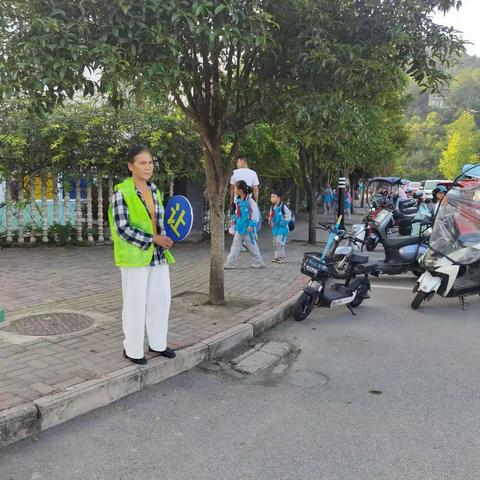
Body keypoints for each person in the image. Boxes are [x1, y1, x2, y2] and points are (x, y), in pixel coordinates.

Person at [108, 146, 176, 365]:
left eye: (150, 163)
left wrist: (164, 238)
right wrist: (153, 238)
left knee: (161, 300)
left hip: (157, 255)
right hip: (134, 258)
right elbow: (122, 228)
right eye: (142, 163)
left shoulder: (155, 190)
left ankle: (158, 343)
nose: (148, 167)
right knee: (135, 304)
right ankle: (133, 350)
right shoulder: (122, 193)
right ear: (131, 166)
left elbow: (158, 223)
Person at [225, 180, 264, 269]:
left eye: (235, 188)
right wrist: (234, 220)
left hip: (248, 229)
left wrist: (251, 225)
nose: (234, 190)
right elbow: (237, 213)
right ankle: (230, 263)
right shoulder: (238, 200)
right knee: (235, 246)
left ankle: (258, 261)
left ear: (240, 190)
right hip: (239, 228)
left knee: (252, 246)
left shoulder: (250, 201)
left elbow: (255, 214)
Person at [269, 190, 292, 264]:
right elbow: (271, 216)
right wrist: (271, 221)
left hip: (283, 228)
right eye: (271, 197)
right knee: (274, 243)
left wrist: (283, 222)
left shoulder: (283, 207)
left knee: (279, 242)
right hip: (275, 228)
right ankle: (276, 257)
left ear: (278, 198)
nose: (272, 198)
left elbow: (289, 215)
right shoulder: (272, 207)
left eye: (273, 197)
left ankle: (281, 257)